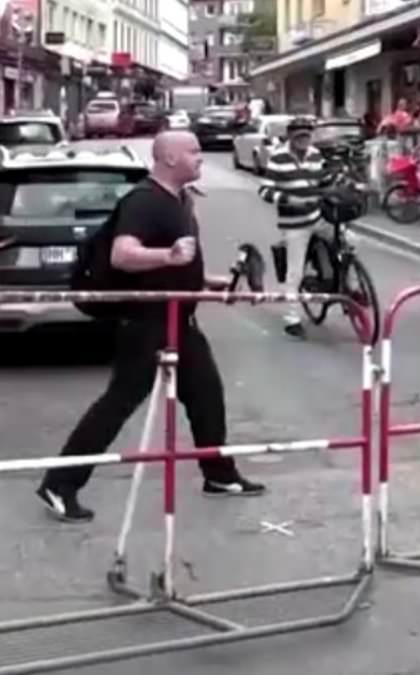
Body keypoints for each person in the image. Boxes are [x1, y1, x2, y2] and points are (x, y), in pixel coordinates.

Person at [37, 131, 265, 522]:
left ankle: (219, 474)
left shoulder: (180, 200)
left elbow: (177, 267)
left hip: (179, 317)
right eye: (193, 152)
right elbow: (124, 255)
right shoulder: (144, 200)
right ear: (170, 159)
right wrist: (169, 255)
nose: (200, 158)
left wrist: (211, 283)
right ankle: (59, 485)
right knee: (118, 403)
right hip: (147, 322)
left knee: (207, 394)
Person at [258, 116, 328, 338]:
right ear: (290, 136)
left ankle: (351, 287)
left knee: (346, 244)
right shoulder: (278, 158)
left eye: (306, 135)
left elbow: (323, 180)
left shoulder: (316, 154)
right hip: (294, 222)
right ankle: (292, 319)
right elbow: (264, 191)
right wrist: (289, 199)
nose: (303, 140)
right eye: (298, 136)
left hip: (317, 216)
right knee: (295, 271)